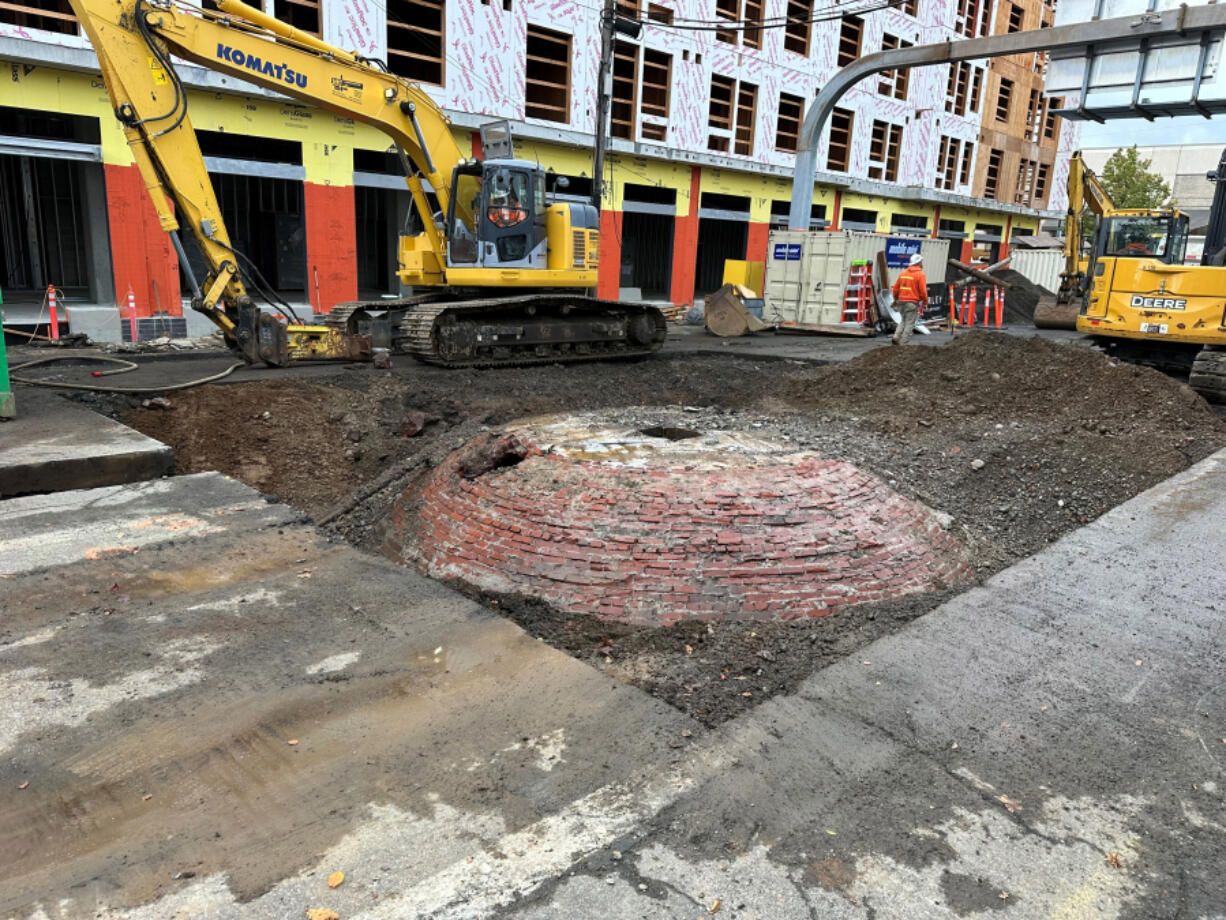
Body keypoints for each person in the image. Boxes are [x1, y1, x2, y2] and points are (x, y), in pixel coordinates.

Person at [890, 252, 928, 345]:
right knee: (909, 323)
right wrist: (925, 302)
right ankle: (903, 343)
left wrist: (896, 299)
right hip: (912, 303)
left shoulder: (903, 273)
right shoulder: (920, 275)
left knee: (903, 321)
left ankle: (896, 336)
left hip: (901, 301)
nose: (922, 263)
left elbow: (895, 288)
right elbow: (923, 291)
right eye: (921, 261)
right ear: (918, 263)